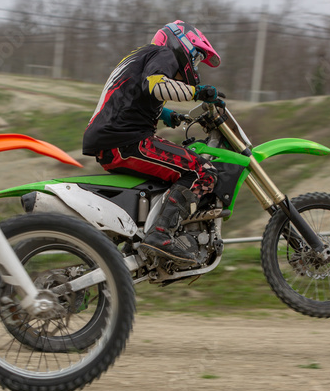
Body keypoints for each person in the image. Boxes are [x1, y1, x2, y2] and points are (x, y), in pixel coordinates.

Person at [82, 20, 224, 263]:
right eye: (197, 58)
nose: (196, 66)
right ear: (184, 46)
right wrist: (197, 93)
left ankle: (141, 236)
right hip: (125, 140)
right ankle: (161, 235)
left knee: (179, 166)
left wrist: (169, 115)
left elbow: (133, 95)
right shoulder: (164, 53)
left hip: (114, 138)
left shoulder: (142, 56)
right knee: (203, 171)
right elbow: (155, 85)